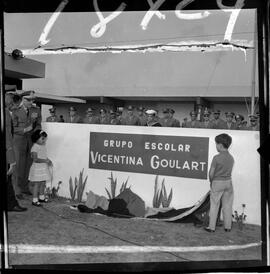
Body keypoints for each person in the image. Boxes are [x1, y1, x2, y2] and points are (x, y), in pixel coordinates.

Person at [12, 90, 42, 197]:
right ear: (23, 100)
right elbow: (13, 128)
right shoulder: (15, 110)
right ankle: (16, 190)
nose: (31, 102)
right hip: (18, 142)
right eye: (28, 100)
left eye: (32, 100)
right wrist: (25, 130)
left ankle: (24, 187)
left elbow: (38, 125)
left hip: (30, 141)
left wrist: (36, 134)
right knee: (18, 166)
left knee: (28, 166)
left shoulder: (36, 110)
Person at [204, 133, 234, 233]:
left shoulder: (216, 158)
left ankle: (211, 227)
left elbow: (211, 172)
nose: (216, 146)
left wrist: (211, 181)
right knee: (227, 205)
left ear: (220, 145)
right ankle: (227, 227)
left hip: (217, 182)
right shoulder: (231, 158)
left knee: (214, 205)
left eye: (216, 144)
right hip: (228, 183)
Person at [5, 92, 27, 212]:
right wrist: (12, 160)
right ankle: (11, 204)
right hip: (7, 151)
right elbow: (7, 138)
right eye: (16, 104)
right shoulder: (6, 115)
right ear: (11, 102)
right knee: (8, 180)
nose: (17, 107)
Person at [28, 130, 53, 207]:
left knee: (43, 183)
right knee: (37, 184)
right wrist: (45, 160)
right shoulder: (35, 147)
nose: (44, 140)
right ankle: (35, 200)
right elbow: (35, 159)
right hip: (37, 168)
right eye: (42, 138)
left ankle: (41, 197)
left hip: (43, 167)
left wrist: (48, 160)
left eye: (45, 139)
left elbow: (43, 156)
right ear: (36, 138)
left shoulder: (43, 146)